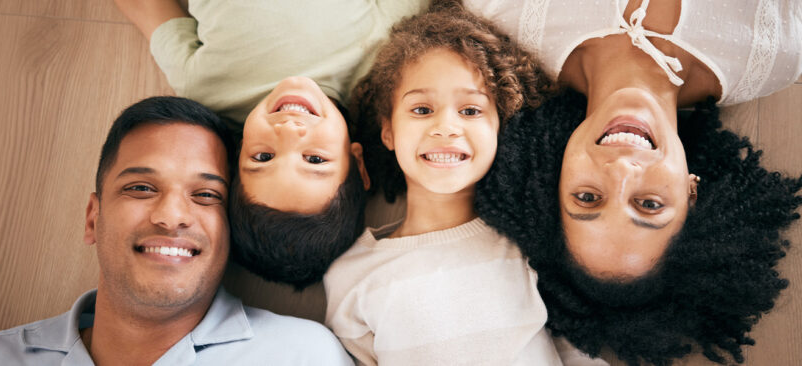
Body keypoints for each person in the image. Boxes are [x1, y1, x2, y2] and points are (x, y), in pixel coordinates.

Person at [456, 0, 802, 364]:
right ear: (691, 191)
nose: (620, 170)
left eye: (588, 197)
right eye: (649, 205)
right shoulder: (775, 53)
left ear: (555, 178)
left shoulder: (505, 11)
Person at [0, 96, 353, 365]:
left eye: (207, 195)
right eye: (141, 188)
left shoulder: (304, 356)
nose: (172, 216)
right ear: (92, 218)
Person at [111, 0, 430, 287]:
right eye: (315, 160)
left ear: (235, 157)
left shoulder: (207, 88)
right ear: (357, 163)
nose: (289, 131)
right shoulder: (387, 62)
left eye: (263, 157)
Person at [323, 4, 575, 365]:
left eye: (470, 111)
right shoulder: (351, 274)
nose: (445, 127)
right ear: (389, 131)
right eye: (422, 109)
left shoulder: (527, 242)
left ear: (500, 129)